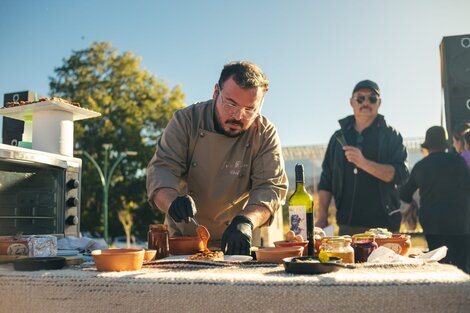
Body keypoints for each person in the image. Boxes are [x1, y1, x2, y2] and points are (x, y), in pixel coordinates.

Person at [146, 61, 288, 255]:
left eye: (250, 109)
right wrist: (172, 202)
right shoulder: (186, 121)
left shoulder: (264, 133)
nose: (238, 116)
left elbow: (270, 188)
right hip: (183, 241)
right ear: (215, 92)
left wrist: (246, 221)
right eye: (231, 104)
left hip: (236, 242)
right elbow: (162, 170)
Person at [316, 79, 409, 235]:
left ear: (379, 103)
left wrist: (363, 163)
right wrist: (322, 216)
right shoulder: (338, 137)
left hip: (385, 226)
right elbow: (327, 179)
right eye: (360, 98)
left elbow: (401, 174)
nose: (366, 102)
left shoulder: (392, 135)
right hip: (348, 225)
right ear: (351, 102)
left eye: (372, 98)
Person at [400, 126, 470, 272]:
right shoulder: (459, 162)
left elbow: (405, 194)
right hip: (459, 222)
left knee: (439, 264)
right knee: (461, 267)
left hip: (432, 223)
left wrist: (413, 203)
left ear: (427, 146)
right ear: (445, 144)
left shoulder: (420, 166)